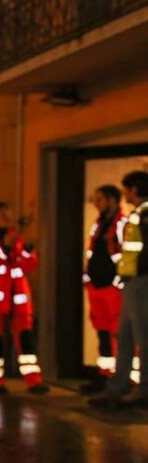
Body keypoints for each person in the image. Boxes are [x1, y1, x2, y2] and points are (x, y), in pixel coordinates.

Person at [0, 201, 48, 394]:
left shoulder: (15, 237)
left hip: (17, 299)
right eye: (3, 215)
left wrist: (28, 252)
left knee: (26, 339)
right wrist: (4, 248)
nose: (8, 218)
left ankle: (33, 380)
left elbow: (28, 265)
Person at [90, 170, 148, 410]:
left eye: (126, 189)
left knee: (141, 336)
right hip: (131, 281)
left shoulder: (143, 214)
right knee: (124, 336)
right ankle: (119, 387)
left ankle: (142, 389)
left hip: (140, 281)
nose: (125, 194)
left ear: (134, 189)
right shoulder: (138, 214)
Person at [80, 185, 127, 394]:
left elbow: (125, 255)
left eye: (99, 199)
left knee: (119, 333)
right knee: (103, 332)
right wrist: (87, 276)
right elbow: (92, 251)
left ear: (112, 200)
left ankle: (124, 379)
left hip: (112, 286)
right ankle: (105, 375)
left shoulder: (122, 224)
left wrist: (118, 280)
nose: (96, 204)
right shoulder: (99, 224)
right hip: (97, 285)